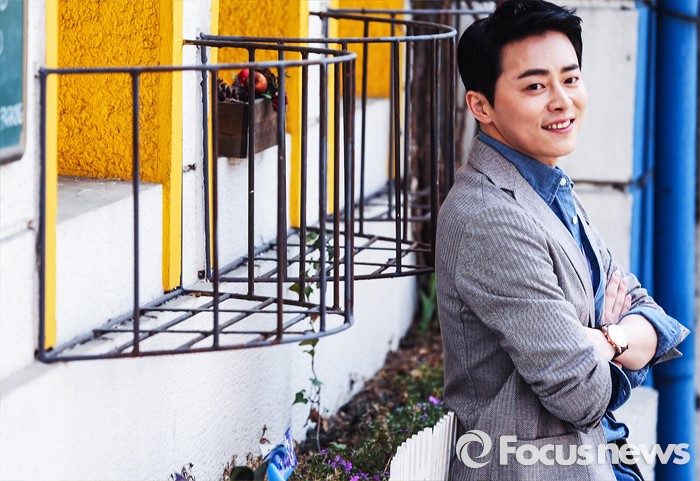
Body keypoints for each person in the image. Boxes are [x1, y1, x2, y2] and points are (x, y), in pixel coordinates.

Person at [435, 1, 690, 480]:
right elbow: (582, 393)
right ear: (481, 106)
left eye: (570, 79)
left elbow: (654, 316)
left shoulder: (546, 186)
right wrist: (617, 335)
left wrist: (604, 338)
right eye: (535, 86)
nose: (561, 101)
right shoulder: (489, 217)